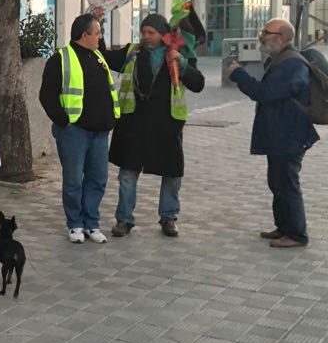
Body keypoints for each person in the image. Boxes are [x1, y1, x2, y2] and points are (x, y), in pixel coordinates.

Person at [106, 14, 205, 238]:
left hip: (166, 126)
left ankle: (169, 217)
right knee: (128, 173)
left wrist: (182, 63)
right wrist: (98, 23)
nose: (146, 36)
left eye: (151, 32)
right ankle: (124, 219)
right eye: (143, 32)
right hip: (133, 125)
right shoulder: (133, 52)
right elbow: (105, 57)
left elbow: (198, 84)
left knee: (171, 173)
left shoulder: (177, 54)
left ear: (163, 34)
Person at [228, 18, 319, 248]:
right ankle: (284, 227)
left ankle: (296, 234)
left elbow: (265, 93)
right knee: (277, 182)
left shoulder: (292, 64)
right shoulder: (280, 60)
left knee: (287, 184)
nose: (261, 36)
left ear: (281, 38)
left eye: (266, 32)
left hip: (290, 135)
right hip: (281, 134)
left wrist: (238, 74)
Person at [39, 13, 119, 244]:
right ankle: (75, 224)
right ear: (85, 35)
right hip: (74, 132)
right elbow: (46, 96)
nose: (100, 37)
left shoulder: (98, 56)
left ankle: (91, 224)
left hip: (100, 132)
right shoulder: (60, 59)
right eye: (98, 33)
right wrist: (64, 121)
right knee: (73, 180)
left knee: (98, 179)